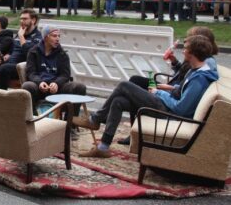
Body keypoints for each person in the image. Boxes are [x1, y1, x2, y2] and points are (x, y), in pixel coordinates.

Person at [75, 35, 218, 158]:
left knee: (124, 85)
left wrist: (158, 92)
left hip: (169, 113)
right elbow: (181, 90)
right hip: (166, 106)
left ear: (192, 53)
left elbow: (181, 109)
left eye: (186, 48)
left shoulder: (199, 79)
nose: (183, 50)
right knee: (118, 101)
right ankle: (103, 147)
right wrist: (166, 89)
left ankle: (95, 119)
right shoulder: (196, 70)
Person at [119, 26, 219, 146]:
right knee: (132, 87)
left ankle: (130, 131)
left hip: (172, 92)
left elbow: (187, 86)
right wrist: (173, 60)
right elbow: (183, 74)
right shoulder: (200, 60)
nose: (185, 41)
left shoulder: (204, 65)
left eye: (189, 38)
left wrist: (163, 90)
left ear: (200, 40)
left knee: (133, 83)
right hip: (172, 88)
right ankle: (132, 131)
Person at [22, 25, 87, 112]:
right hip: (39, 87)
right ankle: (33, 119)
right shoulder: (33, 52)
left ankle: (70, 121)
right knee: (27, 86)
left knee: (80, 87)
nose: (57, 39)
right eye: (54, 36)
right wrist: (40, 83)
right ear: (46, 37)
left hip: (57, 88)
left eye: (59, 36)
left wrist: (56, 83)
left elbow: (65, 75)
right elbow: (31, 73)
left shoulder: (62, 54)